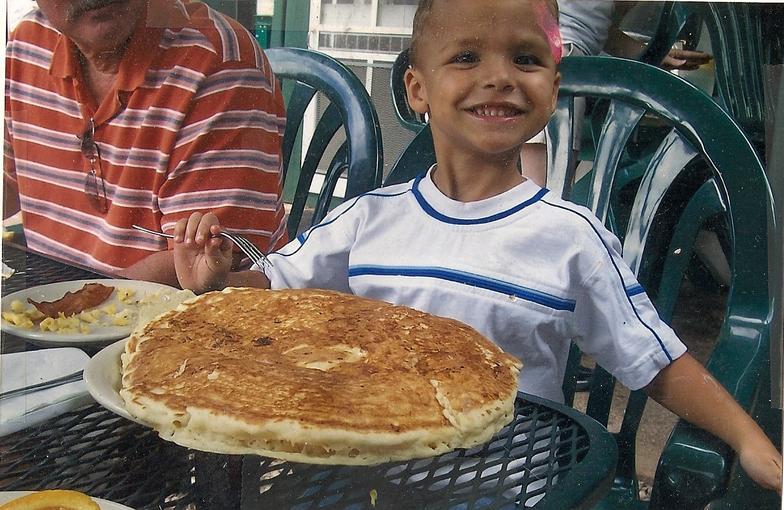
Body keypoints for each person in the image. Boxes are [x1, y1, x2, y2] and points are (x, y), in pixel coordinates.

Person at [172, 0, 782, 495]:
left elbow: (654, 360)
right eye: (466, 57)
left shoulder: (571, 237)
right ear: (417, 89)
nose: (500, 76)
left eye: (526, 58)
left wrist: (749, 438)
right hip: (356, 468)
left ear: (552, 86)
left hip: (508, 485)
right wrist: (215, 280)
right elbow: (273, 297)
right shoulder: (366, 220)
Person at [3, 0, 288, 286]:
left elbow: (199, 265)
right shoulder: (27, 43)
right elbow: (8, 183)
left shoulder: (220, 62)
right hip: (54, 310)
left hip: (191, 319)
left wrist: (67, 309)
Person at [521, 0, 713, 186]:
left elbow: (595, 25)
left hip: (564, 57)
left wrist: (654, 53)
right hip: (560, 58)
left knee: (549, 185)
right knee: (547, 187)